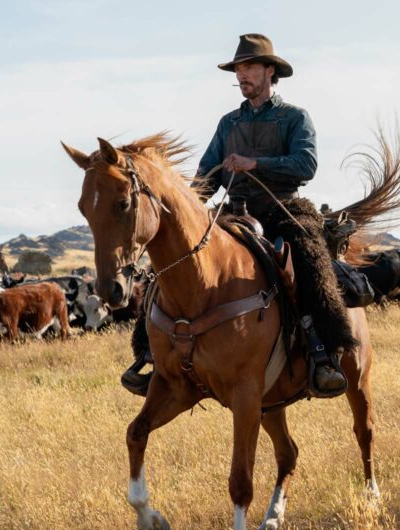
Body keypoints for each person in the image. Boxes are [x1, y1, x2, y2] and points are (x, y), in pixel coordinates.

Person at [122, 34, 352, 397]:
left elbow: (305, 164)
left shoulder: (294, 117)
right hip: (234, 213)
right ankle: (152, 357)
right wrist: (190, 208)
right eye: (238, 69)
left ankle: (324, 353)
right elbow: (204, 177)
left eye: (249, 68)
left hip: (283, 207)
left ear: (269, 71)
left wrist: (254, 163)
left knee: (309, 259)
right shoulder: (228, 123)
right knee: (170, 263)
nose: (241, 75)